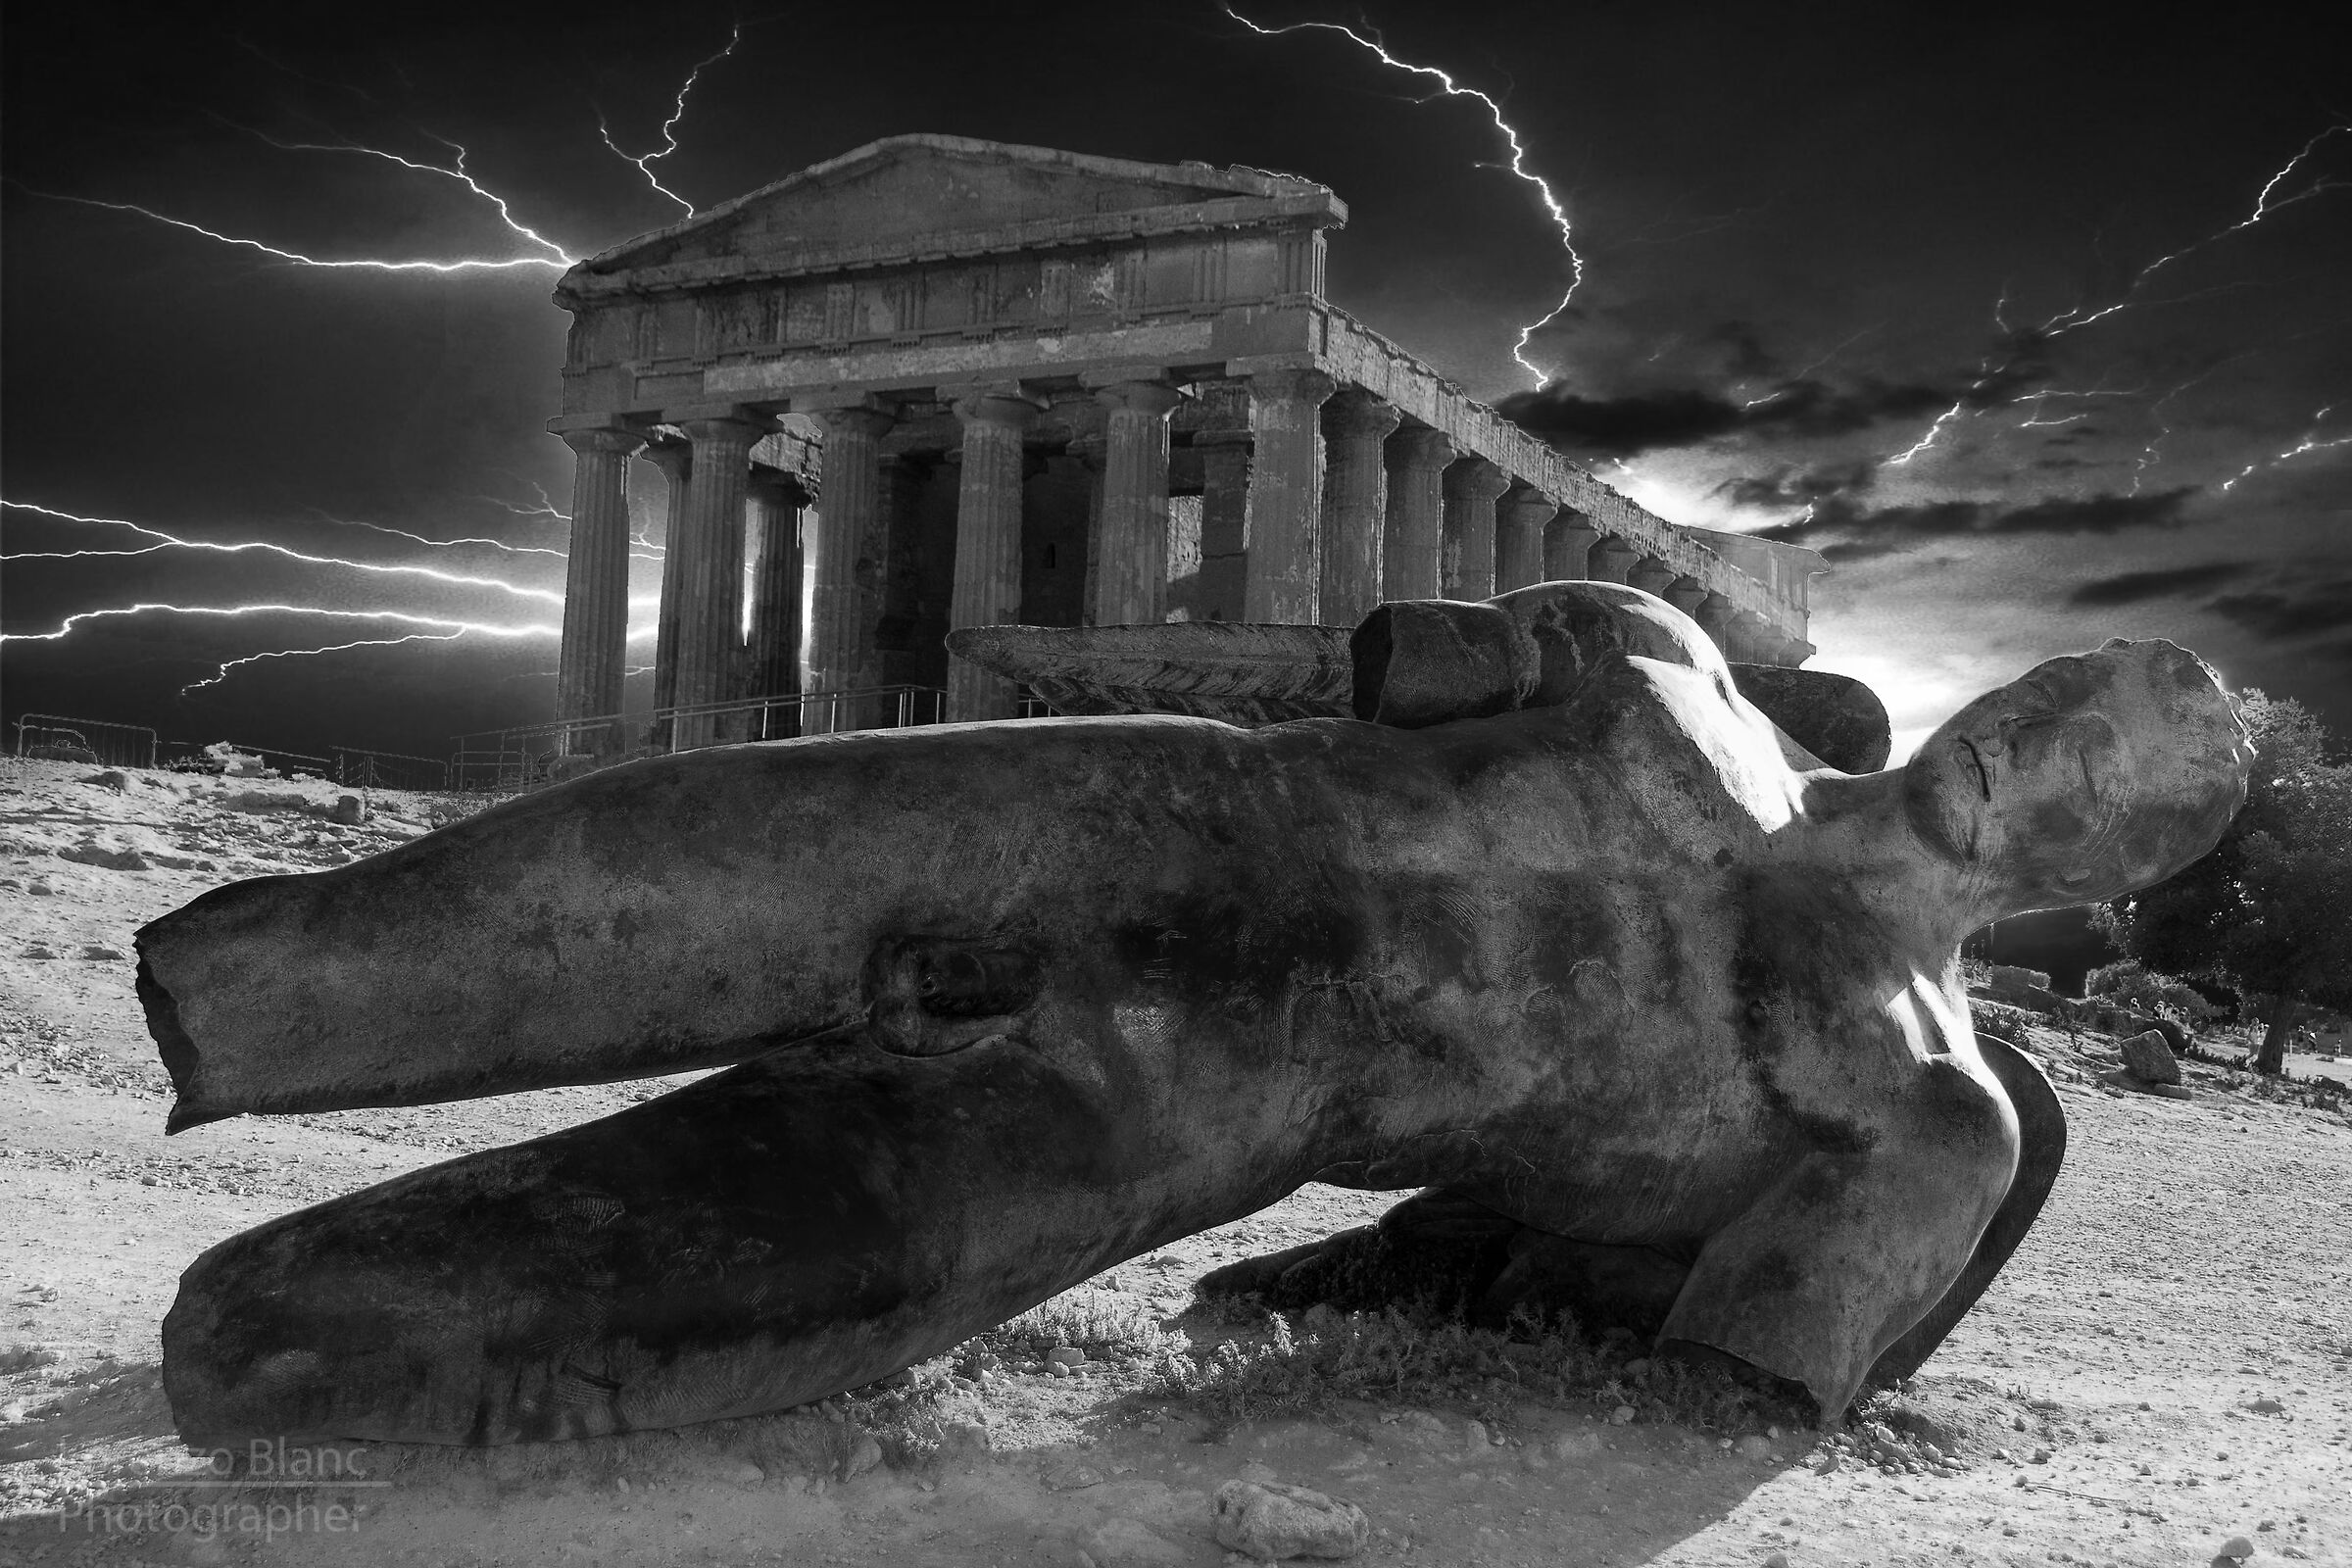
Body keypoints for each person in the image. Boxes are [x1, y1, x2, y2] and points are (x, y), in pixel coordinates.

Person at [143, 584, 2251, 1446]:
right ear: (2008, 687)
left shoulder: (1924, 1100)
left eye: (2109, 794)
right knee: (510, 908)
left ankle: (278, 1316)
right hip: (1134, 812)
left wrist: (1473, 1292)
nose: (2047, 761)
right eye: (2061, 710)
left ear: (2114, 877)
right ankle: (226, 1006)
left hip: (1201, 1086)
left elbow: (1739, 1379)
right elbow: (1403, 664)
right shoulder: (1657, 653)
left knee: (310, 1339)